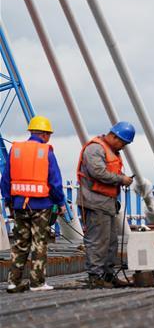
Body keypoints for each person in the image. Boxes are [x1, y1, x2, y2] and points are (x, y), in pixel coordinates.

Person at [1, 116, 66, 292]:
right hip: (41, 206)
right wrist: (61, 203)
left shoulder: (16, 150)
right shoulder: (46, 152)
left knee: (20, 243)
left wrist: (9, 201)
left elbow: (5, 180)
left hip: (19, 205)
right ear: (44, 134)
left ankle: (13, 281)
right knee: (39, 243)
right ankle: (37, 283)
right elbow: (55, 182)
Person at [77, 121, 135, 288]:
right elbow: (98, 172)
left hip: (107, 204)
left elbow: (109, 171)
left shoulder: (110, 151)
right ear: (115, 137)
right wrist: (121, 179)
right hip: (95, 202)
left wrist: (121, 178)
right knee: (97, 241)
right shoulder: (95, 149)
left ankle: (108, 275)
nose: (123, 147)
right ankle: (95, 276)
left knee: (111, 242)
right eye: (123, 143)